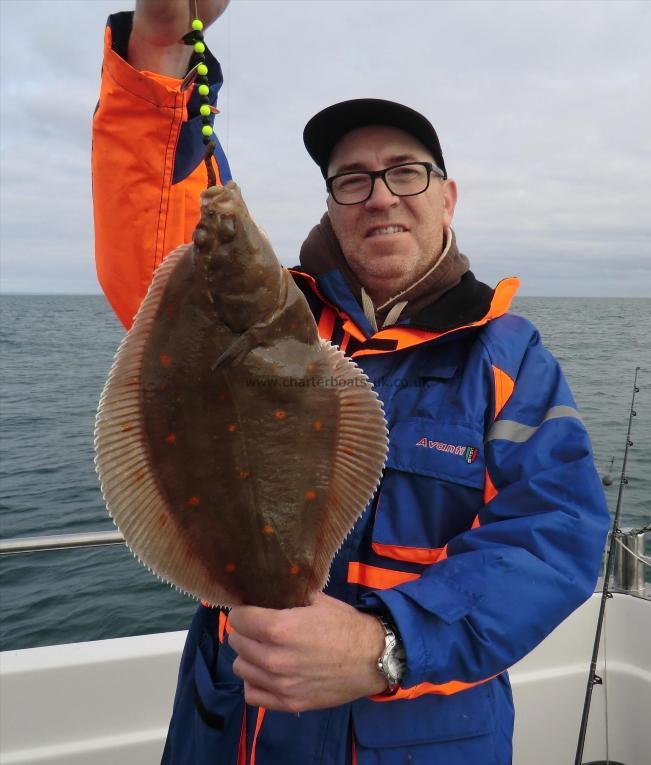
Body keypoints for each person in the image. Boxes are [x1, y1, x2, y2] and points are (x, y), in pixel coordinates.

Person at [92, 2, 610, 763]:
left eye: (405, 171)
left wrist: (384, 643)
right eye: (351, 180)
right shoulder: (271, 316)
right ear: (331, 207)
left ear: (447, 196)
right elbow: (162, 222)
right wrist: (162, 54)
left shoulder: (507, 358)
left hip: (420, 740)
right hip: (235, 721)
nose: (379, 195)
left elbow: (556, 533)